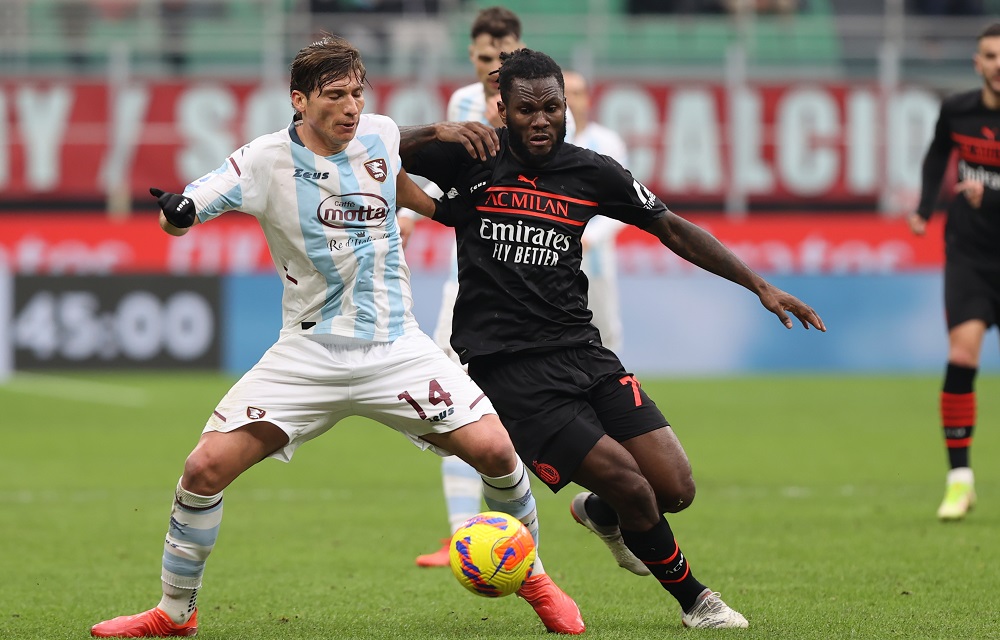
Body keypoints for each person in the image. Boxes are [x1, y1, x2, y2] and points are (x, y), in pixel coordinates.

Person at [89, 35, 584, 638]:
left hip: (396, 348)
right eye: (335, 96)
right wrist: (178, 213)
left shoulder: (376, 133)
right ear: (299, 100)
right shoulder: (264, 160)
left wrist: (441, 196)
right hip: (308, 353)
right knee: (203, 469)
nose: (351, 107)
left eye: (357, 93)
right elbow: (194, 200)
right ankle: (174, 612)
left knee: (499, 454)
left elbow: (397, 160)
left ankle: (531, 574)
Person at [400, 48, 826, 629]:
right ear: (503, 109)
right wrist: (435, 129)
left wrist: (758, 285)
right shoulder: (470, 156)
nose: (543, 119)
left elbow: (671, 226)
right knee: (632, 483)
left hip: (583, 352)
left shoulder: (592, 171)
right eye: (527, 109)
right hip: (509, 368)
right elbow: (361, 143)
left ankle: (603, 513)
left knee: (674, 488)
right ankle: (697, 602)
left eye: (553, 106)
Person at [404, 5, 574, 569]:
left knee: (562, 398)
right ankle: (462, 533)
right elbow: (440, 182)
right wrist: (407, 220)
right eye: (483, 57)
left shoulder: (546, 108)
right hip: (475, 283)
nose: (491, 66)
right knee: (455, 399)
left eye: (502, 56)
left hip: (546, 280)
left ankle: (597, 499)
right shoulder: (459, 108)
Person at [908, 22, 1000, 522]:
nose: (999, 65)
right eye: (991, 56)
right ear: (977, 63)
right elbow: (938, 152)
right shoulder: (958, 110)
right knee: (962, 354)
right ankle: (959, 480)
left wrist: (994, 196)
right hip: (969, 254)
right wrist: (925, 207)